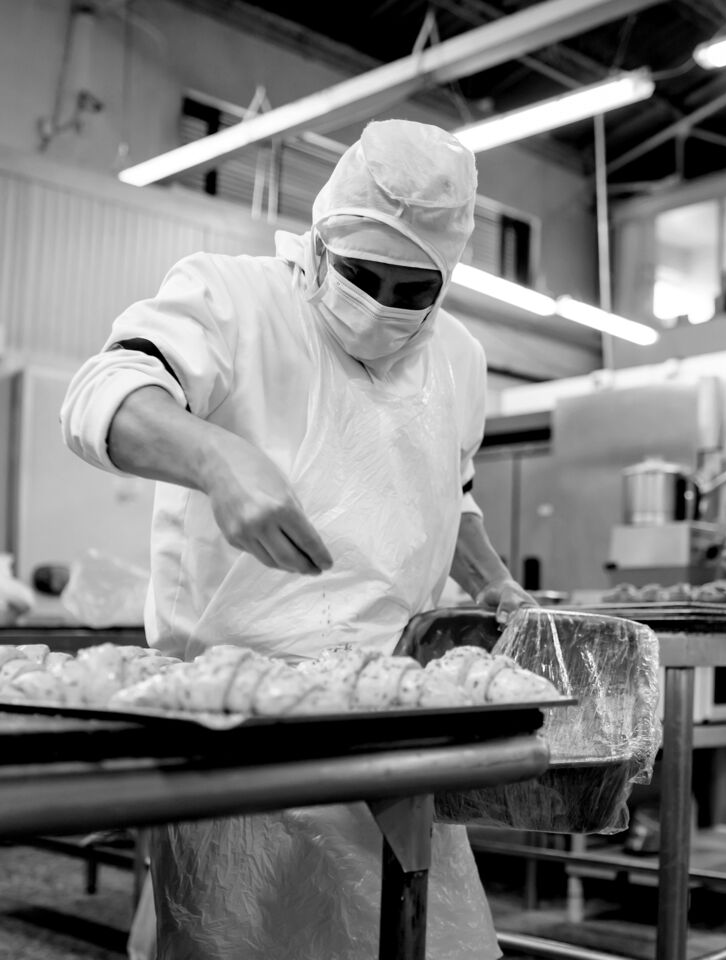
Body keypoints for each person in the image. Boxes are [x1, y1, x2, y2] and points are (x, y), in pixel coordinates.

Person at [61, 119, 534, 960]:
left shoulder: (458, 358)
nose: (383, 305)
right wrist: (215, 458)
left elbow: (447, 491)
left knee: (418, 940)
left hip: (390, 724)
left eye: (411, 290)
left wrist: (493, 580)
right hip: (236, 734)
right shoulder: (234, 300)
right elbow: (104, 393)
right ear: (317, 243)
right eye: (361, 274)